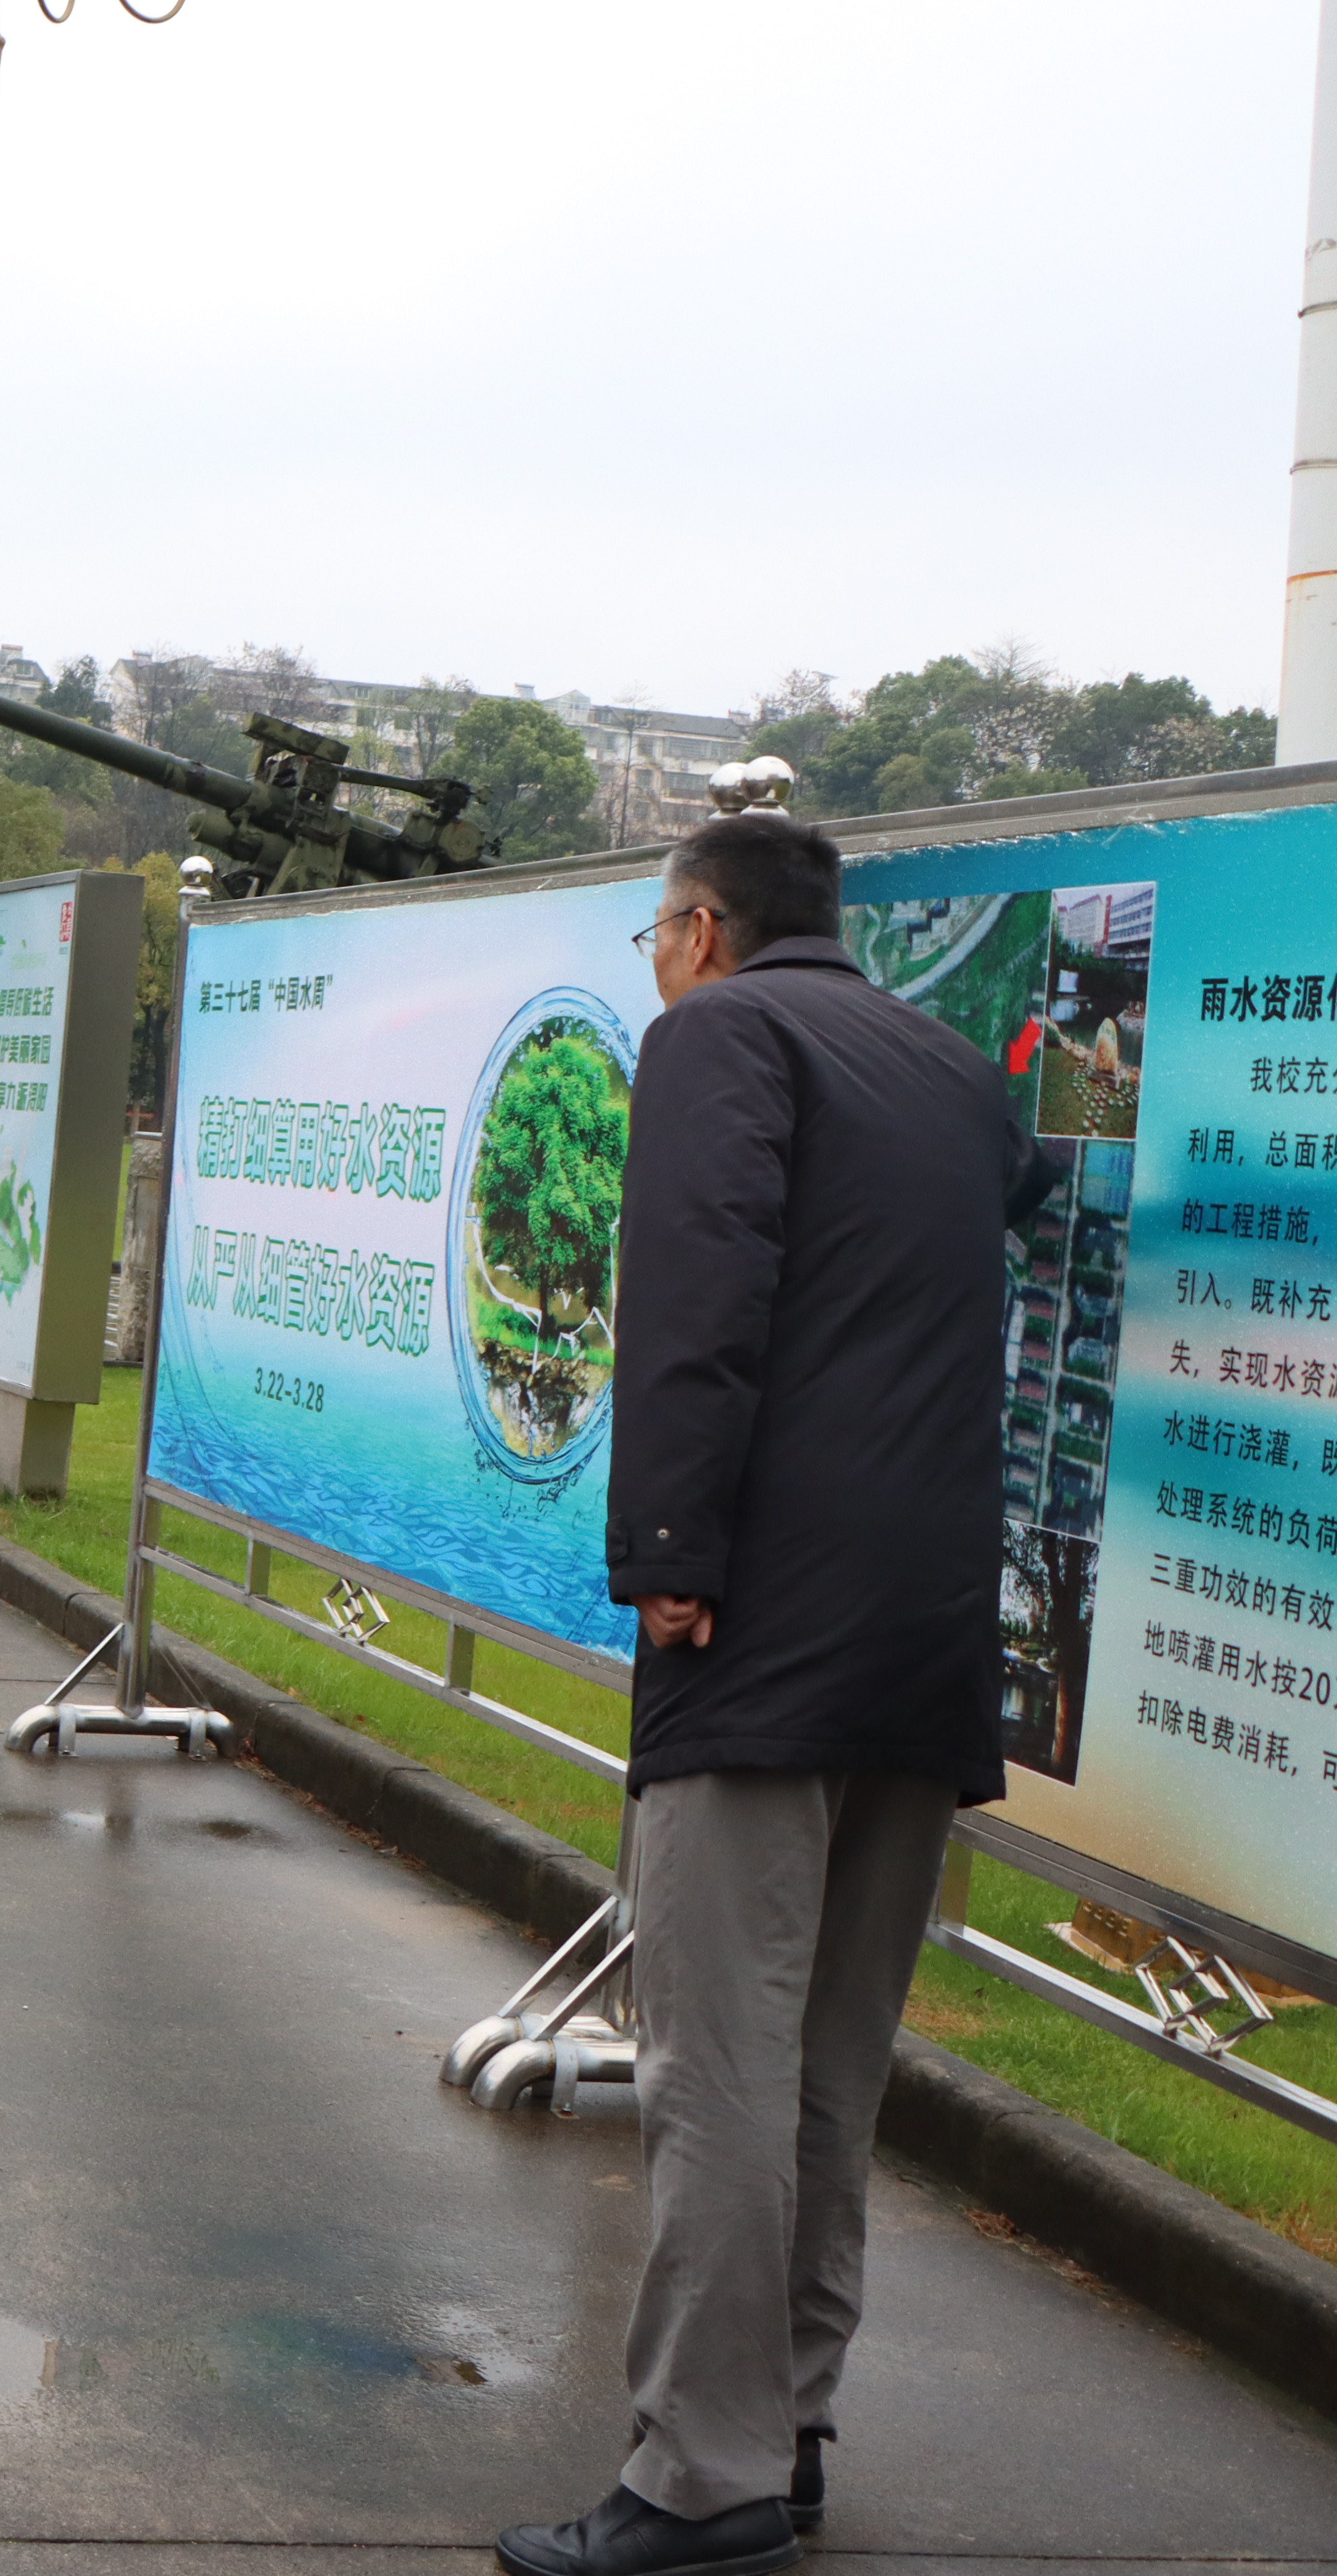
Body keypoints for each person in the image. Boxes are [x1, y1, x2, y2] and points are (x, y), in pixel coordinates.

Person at [498, 814, 1048, 2576]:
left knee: (718, 2066)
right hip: (925, 1637)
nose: (660, 965)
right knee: (827, 2065)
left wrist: (670, 1544)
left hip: (761, 1631)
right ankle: (788, 2426)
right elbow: (988, 1218)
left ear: (703, 929)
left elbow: (698, 1287)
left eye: (659, 936)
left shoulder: (721, 1034)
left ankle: (698, 2479)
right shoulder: (948, 1069)